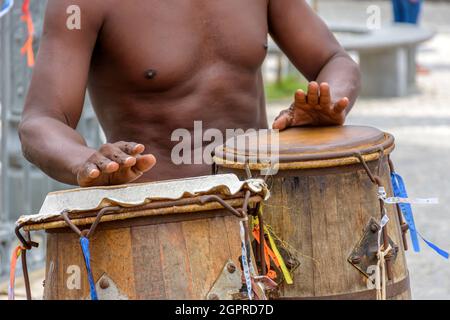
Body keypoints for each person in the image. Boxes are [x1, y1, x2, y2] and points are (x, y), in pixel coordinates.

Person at [19, 0, 361, 187]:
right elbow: (41, 121)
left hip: (265, 202)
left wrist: (329, 102)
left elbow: (335, 60)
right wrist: (85, 162)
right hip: (156, 217)